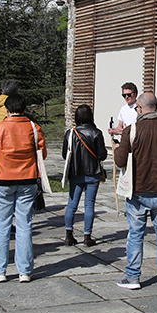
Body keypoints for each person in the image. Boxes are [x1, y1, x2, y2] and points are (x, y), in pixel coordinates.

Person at [113, 92, 157, 289]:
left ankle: (133, 277)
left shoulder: (132, 130)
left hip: (138, 190)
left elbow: (120, 161)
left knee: (135, 234)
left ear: (140, 109)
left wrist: (117, 148)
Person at [0, 92, 44, 283]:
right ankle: (25, 270)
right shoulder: (34, 128)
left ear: (7, 110)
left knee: (1, 225)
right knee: (24, 224)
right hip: (27, 179)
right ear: (24, 109)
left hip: (3, 179)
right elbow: (41, 154)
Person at [61, 104, 107, 246]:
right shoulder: (96, 133)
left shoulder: (71, 133)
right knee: (89, 205)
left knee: (72, 204)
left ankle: (69, 234)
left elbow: (64, 154)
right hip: (93, 173)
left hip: (75, 172)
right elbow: (102, 155)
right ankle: (87, 236)